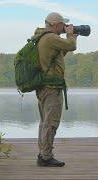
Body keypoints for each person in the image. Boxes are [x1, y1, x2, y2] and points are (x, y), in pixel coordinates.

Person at [31, 12, 77, 167]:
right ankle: (46, 156)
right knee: (51, 123)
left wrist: (67, 38)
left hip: (44, 87)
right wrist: (72, 35)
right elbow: (72, 46)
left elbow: (59, 54)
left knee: (45, 122)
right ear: (55, 24)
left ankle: (43, 152)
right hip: (51, 88)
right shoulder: (50, 37)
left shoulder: (43, 37)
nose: (65, 27)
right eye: (63, 25)